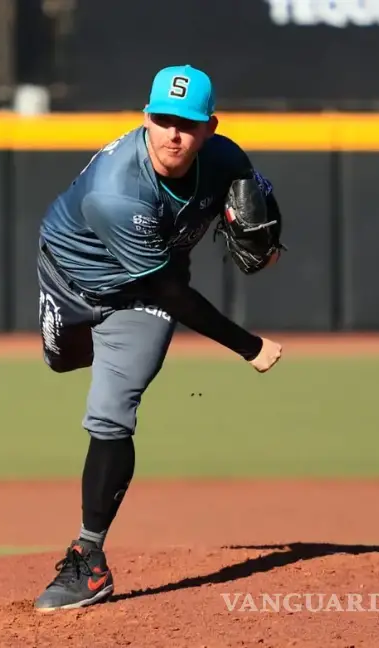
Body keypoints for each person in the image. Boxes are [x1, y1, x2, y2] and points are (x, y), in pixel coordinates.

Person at [33, 64, 284, 612]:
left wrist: (262, 233)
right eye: (164, 120)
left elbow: (245, 205)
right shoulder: (116, 192)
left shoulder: (226, 160)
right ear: (146, 118)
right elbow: (173, 291)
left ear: (210, 128)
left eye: (188, 124)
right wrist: (249, 346)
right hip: (70, 279)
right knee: (62, 360)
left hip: (140, 300)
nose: (174, 134)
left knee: (110, 412)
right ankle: (88, 347)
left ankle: (88, 558)